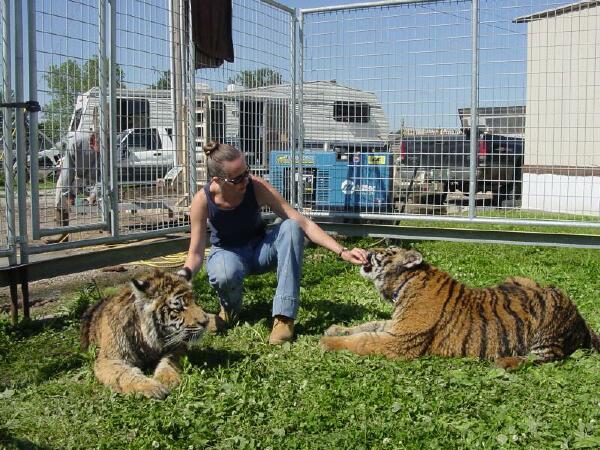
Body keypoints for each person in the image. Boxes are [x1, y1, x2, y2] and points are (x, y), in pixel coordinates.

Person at [179, 142, 368, 345]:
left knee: (292, 227)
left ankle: (284, 317)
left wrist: (342, 251)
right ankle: (230, 310)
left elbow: (302, 222)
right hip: (227, 253)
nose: (246, 180)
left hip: (260, 250)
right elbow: (196, 253)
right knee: (224, 273)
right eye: (237, 178)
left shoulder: (256, 187)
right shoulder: (202, 200)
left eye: (246, 172)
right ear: (217, 180)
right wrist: (181, 279)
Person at [48, 130, 100, 243]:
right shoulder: (75, 144)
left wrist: (94, 194)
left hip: (95, 176)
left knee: (109, 192)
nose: (101, 149)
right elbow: (68, 171)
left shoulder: (110, 146)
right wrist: (68, 194)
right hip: (76, 172)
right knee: (60, 194)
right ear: (92, 141)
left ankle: (110, 230)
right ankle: (62, 233)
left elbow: (106, 176)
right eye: (99, 145)